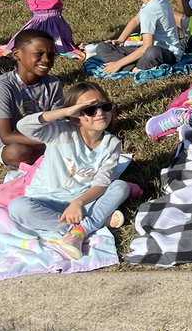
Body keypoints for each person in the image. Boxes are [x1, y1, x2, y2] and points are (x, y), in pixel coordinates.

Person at [7, 82, 129, 259]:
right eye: (89, 110)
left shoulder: (112, 144)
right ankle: (85, 226)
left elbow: (102, 184)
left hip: (83, 202)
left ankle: (83, 228)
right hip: (46, 201)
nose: (100, 113)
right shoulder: (60, 132)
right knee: (18, 207)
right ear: (74, 116)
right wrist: (64, 112)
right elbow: (24, 126)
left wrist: (78, 202)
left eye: (105, 106)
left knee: (120, 187)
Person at [0, 29, 64, 167]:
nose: (46, 60)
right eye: (38, 54)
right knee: (16, 152)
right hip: (17, 142)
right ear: (17, 54)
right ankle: (51, 157)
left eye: (51, 55)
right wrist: (50, 141)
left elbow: (58, 123)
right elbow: (6, 136)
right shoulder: (3, 87)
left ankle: (50, 157)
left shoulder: (53, 84)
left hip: (49, 139)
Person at [94, 0, 184, 73]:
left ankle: (133, 68)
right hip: (150, 50)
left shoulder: (150, 10)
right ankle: (133, 66)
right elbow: (135, 20)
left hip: (166, 55)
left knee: (152, 52)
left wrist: (118, 64)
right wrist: (120, 40)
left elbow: (147, 46)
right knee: (102, 47)